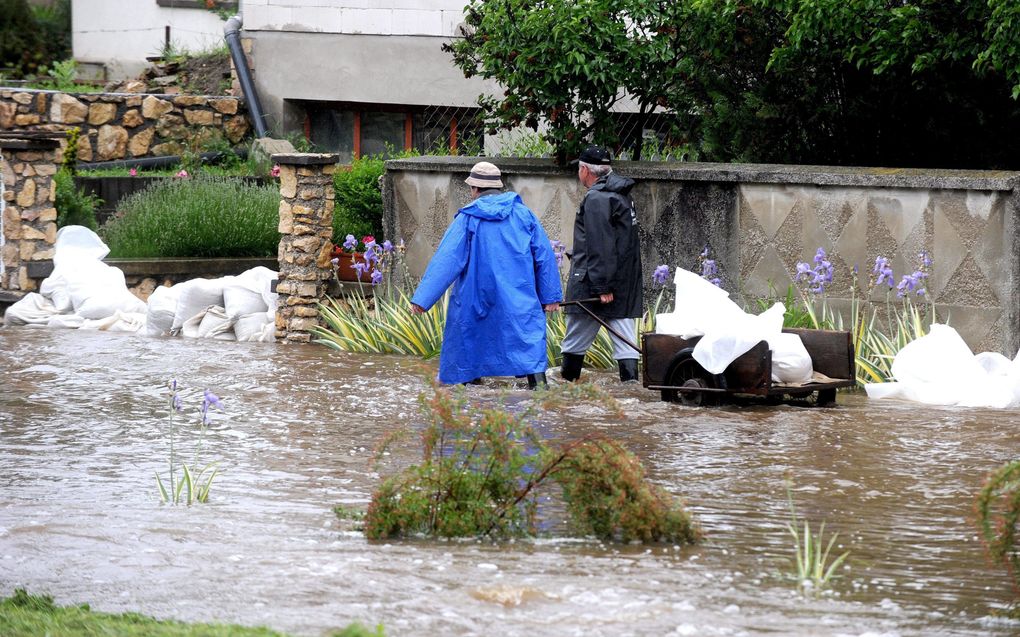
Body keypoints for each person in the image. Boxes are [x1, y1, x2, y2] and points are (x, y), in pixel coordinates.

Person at [410, 161, 562, 388]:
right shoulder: (524, 216)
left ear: (474, 189)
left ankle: (471, 392)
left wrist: (422, 300)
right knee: (527, 345)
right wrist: (550, 297)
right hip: (519, 298)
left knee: (469, 344)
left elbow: (447, 260)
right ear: (498, 187)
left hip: (475, 299)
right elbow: (544, 256)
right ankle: (540, 389)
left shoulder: (467, 219)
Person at [561, 145, 643, 383]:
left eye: (579, 168)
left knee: (574, 342)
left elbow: (600, 244)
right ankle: (631, 393)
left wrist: (601, 286)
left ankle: (565, 394)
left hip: (595, 285)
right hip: (622, 284)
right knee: (625, 342)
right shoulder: (621, 194)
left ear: (585, 170)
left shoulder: (597, 198)